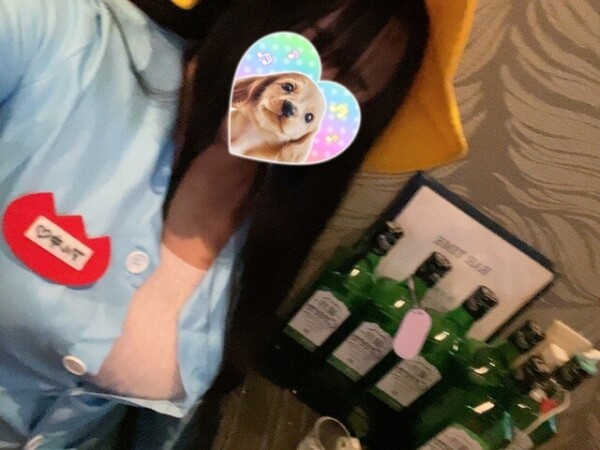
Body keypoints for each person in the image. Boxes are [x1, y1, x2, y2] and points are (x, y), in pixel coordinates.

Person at [0, 0, 447, 448]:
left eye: (350, 84)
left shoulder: (277, 216)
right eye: (313, 44)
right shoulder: (65, 40)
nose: (306, 92)